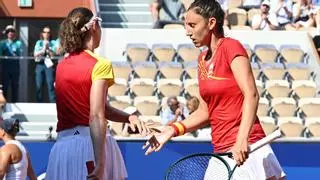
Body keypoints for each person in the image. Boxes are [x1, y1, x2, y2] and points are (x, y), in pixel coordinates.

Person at [144, 0, 286, 179]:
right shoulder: (202, 59)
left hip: (248, 147)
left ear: (211, 23)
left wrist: (241, 139)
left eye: (192, 25)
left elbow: (251, 94)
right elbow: (205, 112)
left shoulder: (231, 46)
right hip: (221, 151)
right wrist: (172, 129)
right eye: (186, 25)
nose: (187, 32)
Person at [45, 7, 148, 180]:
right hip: (91, 146)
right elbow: (97, 115)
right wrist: (100, 163)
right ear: (94, 27)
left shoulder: (62, 64)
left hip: (63, 148)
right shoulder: (100, 64)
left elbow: (96, 109)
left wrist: (128, 118)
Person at [0, 25, 23, 102]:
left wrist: (13, 48)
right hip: (5, 67)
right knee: (5, 86)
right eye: (8, 31)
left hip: (15, 67)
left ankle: (14, 103)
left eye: (12, 31)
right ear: (6, 33)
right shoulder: (2, 43)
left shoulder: (18, 43)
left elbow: (19, 53)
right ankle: (4, 104)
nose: (10, 33)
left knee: (15, 86)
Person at [33, 26, 56, 103]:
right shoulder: (38, 42)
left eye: (48, 32)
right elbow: (35, 54)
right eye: (45, 32)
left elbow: (53, 55)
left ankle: (53, 104)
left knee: (50, 84)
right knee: (38, 85)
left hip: (49, 65)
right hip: (40, 64)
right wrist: (43, 48)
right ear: (42, 33)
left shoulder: (53, 42)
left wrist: (48, 48)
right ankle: (39, 103)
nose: (46, 34)